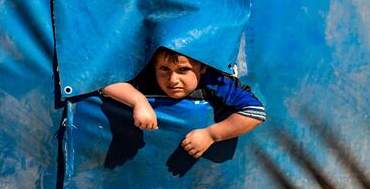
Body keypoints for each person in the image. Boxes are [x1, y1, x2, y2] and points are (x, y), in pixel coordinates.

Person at [100, 47, 266, 158]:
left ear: (203, 67)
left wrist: (211, 135)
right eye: (164, 69)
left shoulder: (216, 81)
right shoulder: (147, 77)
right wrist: (138, 101)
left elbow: (255, 112)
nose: (173, 80)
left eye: (183, 70)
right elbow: (103, 82)